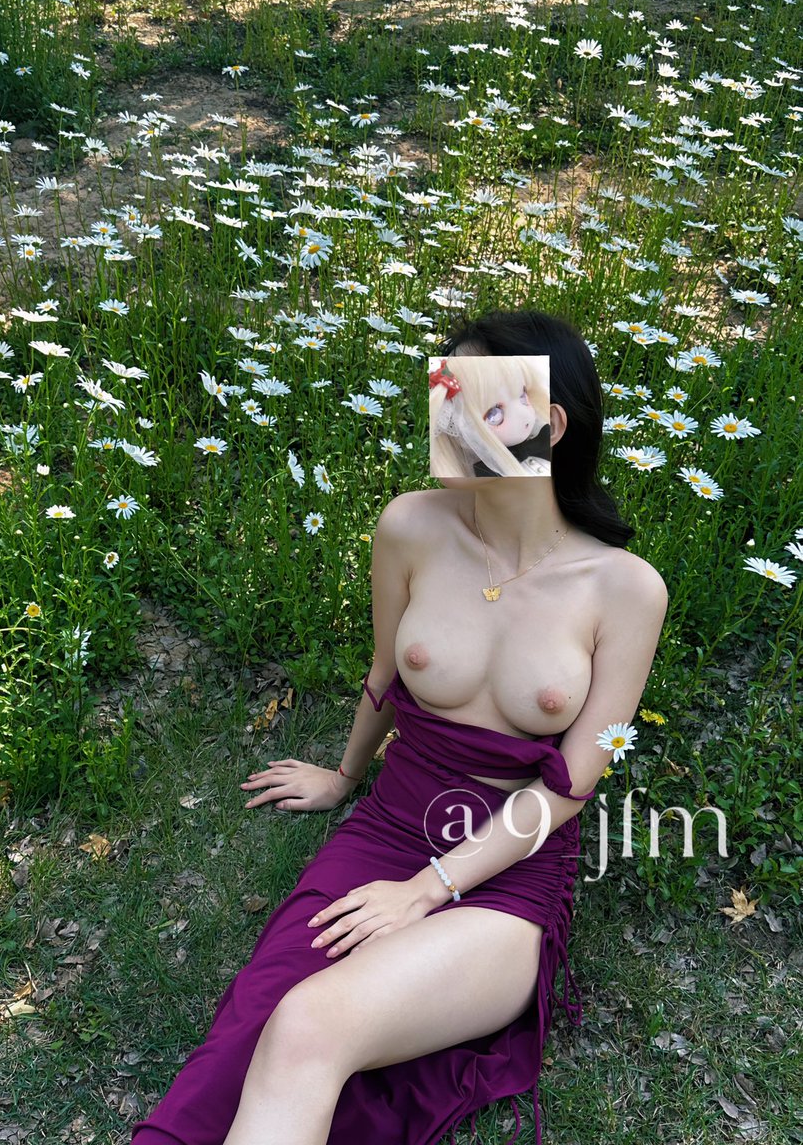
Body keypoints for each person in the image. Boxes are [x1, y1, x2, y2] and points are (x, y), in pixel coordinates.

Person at [130, 307, 669, 1145]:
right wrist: (345, 776)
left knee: (310, 1025)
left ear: (550, 424)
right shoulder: (411, 526)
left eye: (475, 401)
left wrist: (427, 890)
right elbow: (386, 674)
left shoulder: (626, 590)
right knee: (255, 1030)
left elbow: (570, 787)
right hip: (387, 829)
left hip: (509, 873)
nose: (445, 419)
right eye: (443, 393)